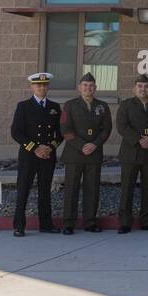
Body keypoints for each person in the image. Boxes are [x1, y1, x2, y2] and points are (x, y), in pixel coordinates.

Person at [10, 71, 62, 237]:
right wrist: (35, 148)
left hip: (47, 155)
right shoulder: (23, 106)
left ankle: (46, 224)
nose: (42, 88)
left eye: (45, 85)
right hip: (29, 155)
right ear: (32, 87)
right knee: (23, 188)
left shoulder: (54, 107)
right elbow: (16, 132)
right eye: (38, 85)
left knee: (45, 190)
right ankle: (19, 226)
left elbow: (60, 134)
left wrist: (50, 148)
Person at [60, 71, 112, 235]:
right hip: (75, 153)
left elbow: (106, 129)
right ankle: (69, 223)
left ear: (95, 88)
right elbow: (65, 129)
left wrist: (95, 144)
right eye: (85, 85)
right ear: (79, 88)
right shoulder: (69, 105)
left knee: (92, 189)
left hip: (94, 153)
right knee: (71, 190)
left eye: (91, 85)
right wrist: (82, 145)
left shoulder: (102, 106)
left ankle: (90, 222)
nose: (88, 88)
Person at [115, 73, 148, 233]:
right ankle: (125, 222)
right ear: (134, 88)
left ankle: (146, 220)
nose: (143, 89)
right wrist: (139, 139)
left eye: (146, 86)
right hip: (131, 152)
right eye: (140, 86)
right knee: (127, 189)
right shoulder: (126, 105)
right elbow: (121, 126)